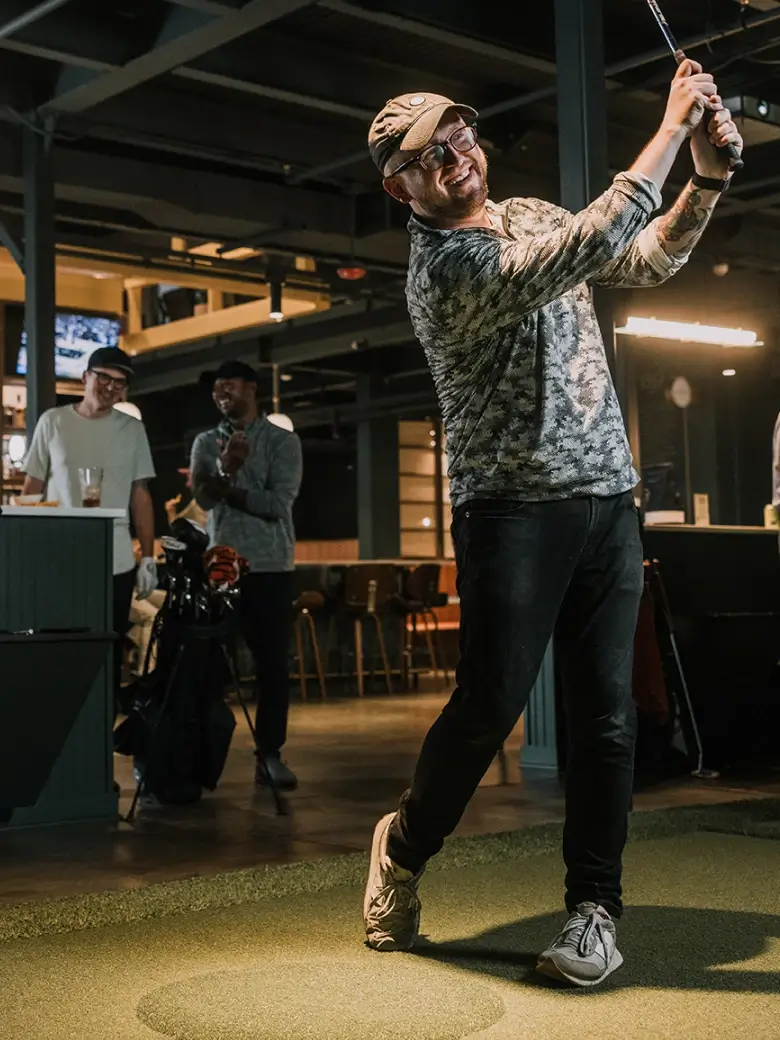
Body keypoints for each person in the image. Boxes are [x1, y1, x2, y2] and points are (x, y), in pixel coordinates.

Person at [362, 63, 743, 987]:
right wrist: (669, 131)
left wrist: (708, 178)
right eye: (428, 156)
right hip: (509, 509)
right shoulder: (445, 268)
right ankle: (404, 849)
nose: (454, 157)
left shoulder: (530, 211)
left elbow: (640, 255)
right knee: (489, 706)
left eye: (459, 137)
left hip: (608, 499)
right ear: (398, 186)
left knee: (607, 720)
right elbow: (579, 250)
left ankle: (592, 911)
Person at [22, 346, 157, 706]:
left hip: (115, 558)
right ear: (85, 378)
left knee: (108, 646)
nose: (112, 387)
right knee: (59, 642)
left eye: (121, 382)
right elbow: (32, 487)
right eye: (105, 377)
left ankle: (101, 732)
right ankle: (57, 724)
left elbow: (140, 494)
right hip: (58, 555)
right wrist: (27, 545)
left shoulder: (132, 429)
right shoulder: (53, 421)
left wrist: (147, 557)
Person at [190, 360, 303, 790]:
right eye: (216, 386)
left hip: (272, 566)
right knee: (212, 668)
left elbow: (277, 505)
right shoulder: (205, 441)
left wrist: (226, 485)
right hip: (222, 567)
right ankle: (204, 754)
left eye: (229, 385)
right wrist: (227, 470)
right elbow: (203, 497)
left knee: (273, 667)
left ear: (252, 389)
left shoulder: (282, 441)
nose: (221, 392)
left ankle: (270, 754)